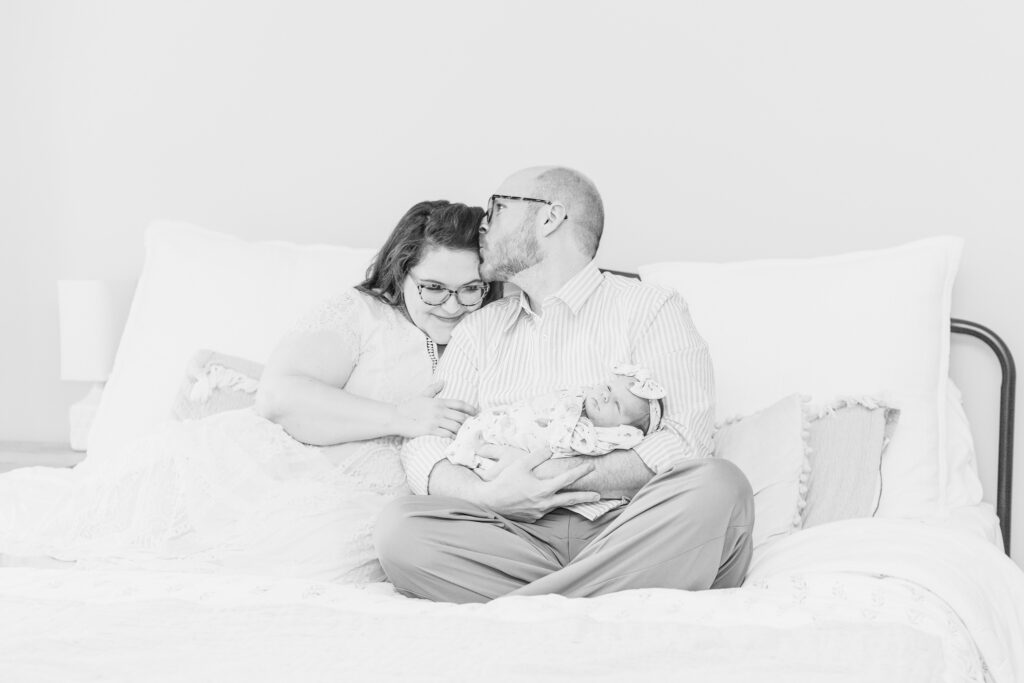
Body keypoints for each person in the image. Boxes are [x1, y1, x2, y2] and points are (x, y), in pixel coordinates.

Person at [0, 200, 491, 582]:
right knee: (81, 532)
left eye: (470, 289)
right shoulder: (363, 315)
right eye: (433, 288)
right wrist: (401, 417)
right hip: (257, 473)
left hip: (369, 515)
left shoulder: (491, 330)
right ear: (402, 270)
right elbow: (279, 396)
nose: (452, 305)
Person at [375, 167, 755, 603]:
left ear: (550, 218)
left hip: (630, 524)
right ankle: (614, 596)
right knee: (400, 530)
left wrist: (548, 476)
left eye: (498, 208)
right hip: (514, 535)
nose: (483, 222)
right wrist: (487, 494)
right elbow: (428, 444)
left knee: (718, 488)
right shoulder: (478, 329)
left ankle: (541, 606)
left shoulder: (651, 307)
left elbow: (686, 442)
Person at [445, 363, 668, 471]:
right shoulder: (578, 397)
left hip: (519, 451)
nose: (604, 395)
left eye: (617, 405)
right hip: (510, 418)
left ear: (624, 430)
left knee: (492, 456)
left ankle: (476, 448)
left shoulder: (591, 437)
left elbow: (558, 447)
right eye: (608, 387)